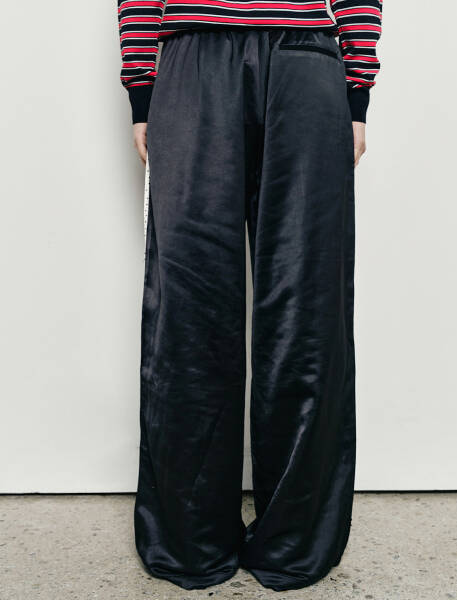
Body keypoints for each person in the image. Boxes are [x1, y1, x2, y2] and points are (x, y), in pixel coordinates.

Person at [117, 0, 382, 592]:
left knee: (308, 306)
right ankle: (189, 542)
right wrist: (142, 88)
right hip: (191, 56)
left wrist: (357, 92)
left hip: (306, 56)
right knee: (188, 306)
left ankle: (295, 542)